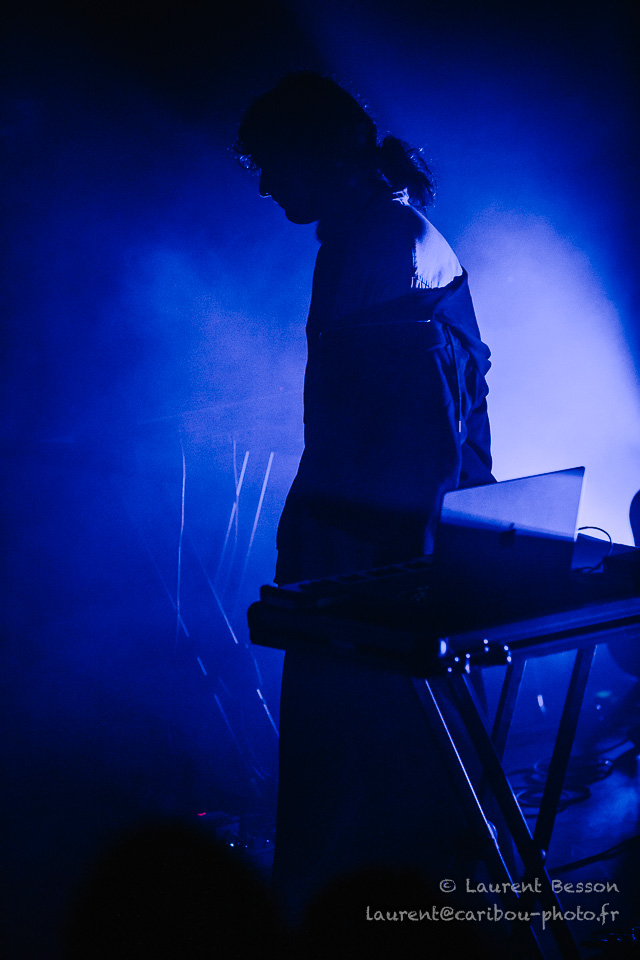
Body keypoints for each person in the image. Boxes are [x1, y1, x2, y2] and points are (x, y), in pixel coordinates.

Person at [236, 72, 496, 926]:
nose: (265, 185)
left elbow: (398, 436)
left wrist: (337, 563)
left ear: (319, 155)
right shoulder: (390, 230)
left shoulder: (379, 241)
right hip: (396, 547)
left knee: (356, 779)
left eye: (270, 163)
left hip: (375, 559)